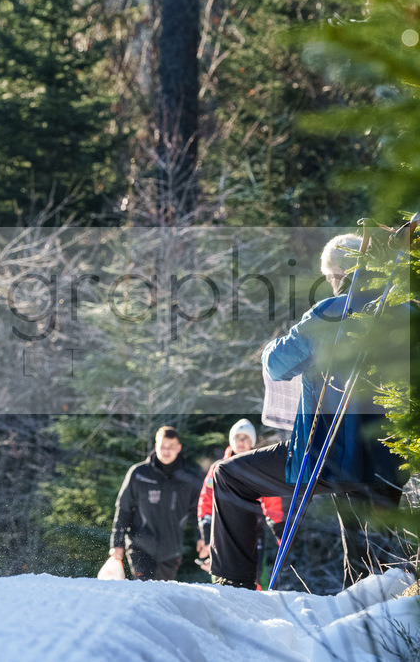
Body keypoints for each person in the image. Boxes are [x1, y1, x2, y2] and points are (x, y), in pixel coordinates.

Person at [209, 233, 409, 589]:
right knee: (370, 567)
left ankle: (233, 584)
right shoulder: (405, 312)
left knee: (229, 476)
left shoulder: (331, 312)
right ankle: (376, 613)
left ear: (337, 274)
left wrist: (273, 345)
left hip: (325, 453)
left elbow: (277, 364)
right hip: (389, 458)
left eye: (330, 277)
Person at [109, 426, 203, 581]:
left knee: (163, 591)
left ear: (179, 448)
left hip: (171, 551)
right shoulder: (139, 474)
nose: (166, 451)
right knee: (144, 587)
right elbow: (124, 509)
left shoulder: (189, 478)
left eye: (171, 446)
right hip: (140, 546)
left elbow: (199, 512)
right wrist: (117, 543)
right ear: (155, 445)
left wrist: (202, 537)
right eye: (162, 446)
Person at [195, 419, 283, 580]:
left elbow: (272, 502)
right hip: (222, 528)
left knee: (255, 575)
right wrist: (206, 533)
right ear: (231, 440)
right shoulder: (218, 467)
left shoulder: (258, 466)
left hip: (252, 529)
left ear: (252, 442)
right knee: (221, 573)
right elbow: (206, 500)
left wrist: (279, 529)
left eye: (245, 438)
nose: (241, 442)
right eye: (237, 437)